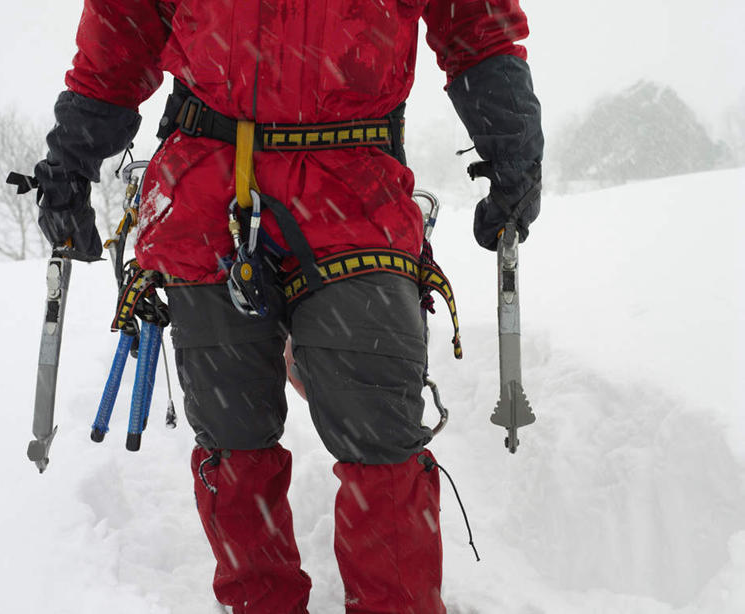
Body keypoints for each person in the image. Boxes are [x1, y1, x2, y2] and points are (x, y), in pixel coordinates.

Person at [33, 1, 543, 611]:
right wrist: (70, 162)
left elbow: (476, 28)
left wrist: (514, 149)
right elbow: (120, 33)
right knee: (233, 432)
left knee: (378, 426)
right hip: (207, 189)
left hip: (355, 190)